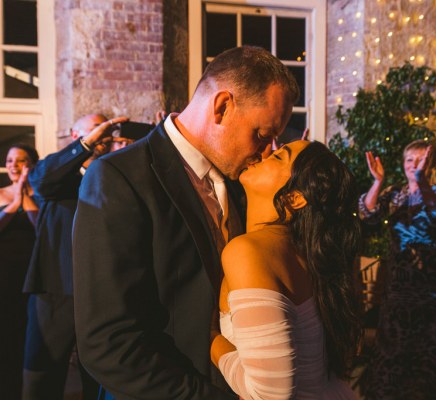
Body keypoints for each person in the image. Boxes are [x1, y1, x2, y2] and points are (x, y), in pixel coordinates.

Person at [72, 45, 299, 399]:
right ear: (222, 107)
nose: (266, 150)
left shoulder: (242, 181)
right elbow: (108, 343)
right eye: (260, 134)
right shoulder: (120, 177)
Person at [210, 140, 362, 399]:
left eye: (279, 157)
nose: (265, 153)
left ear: (294, 197)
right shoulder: (309, 253)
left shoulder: (249, 251)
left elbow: (270, 393)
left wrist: (210, 340)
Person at [22, 113, 126, 400]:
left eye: (107, 129)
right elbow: (40, 181)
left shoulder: (117, 175)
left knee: (99, 376)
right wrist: (87, 144)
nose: (103, 134)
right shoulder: (57, 177)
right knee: (43, 374)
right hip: (56, 289)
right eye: (96, 128)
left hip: (102, 293)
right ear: (75, 134)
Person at [359, 140, 436, 399]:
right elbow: (367, 214)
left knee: (431, 358)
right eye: (409, 161)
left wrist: (421, 181)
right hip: (399, 288)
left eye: (420, 160)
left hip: (434, 292)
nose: (414, 166)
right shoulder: (394, 194)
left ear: (431, 164)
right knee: (392, 355)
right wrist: (378, 182)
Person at [0, 144, 39, 400]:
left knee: (24, 328)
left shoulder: (40, 195)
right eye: (9, 160)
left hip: (31, 269)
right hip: (0, 271)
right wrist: (14, 203)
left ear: (31, 164)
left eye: (20, 160)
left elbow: (41, 229)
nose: (13, 165)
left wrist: (24, 194)